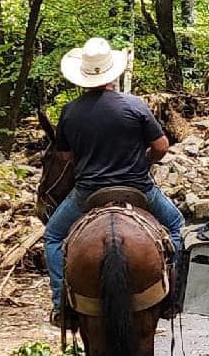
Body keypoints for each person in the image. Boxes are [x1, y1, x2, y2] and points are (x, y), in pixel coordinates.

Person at [43, 37, 184, 328]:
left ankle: (61, 303)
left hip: (87, 193)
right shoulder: (134, 105)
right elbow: (161, 146)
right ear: (112, 74)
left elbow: (65, 156)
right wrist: (145, 162)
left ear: (83, 76)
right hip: (138, 188)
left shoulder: (70, 112)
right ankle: (174, 297)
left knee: (54, 237)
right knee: (176, 226)